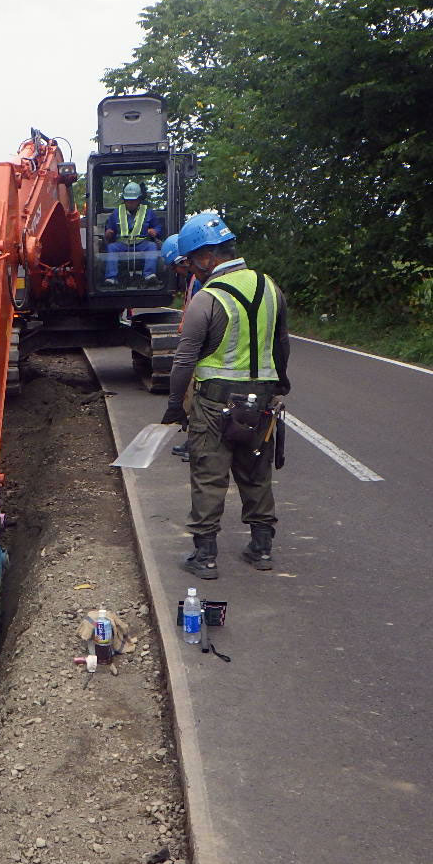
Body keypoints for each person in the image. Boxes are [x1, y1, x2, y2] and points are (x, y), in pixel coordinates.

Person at [159, 213, 291, 578]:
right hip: (259, 403)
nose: (193, 271)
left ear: (206, 257)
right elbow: (281, 346)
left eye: (193, 262)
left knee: (209, 475)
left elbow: (185, 359)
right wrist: (279, 385)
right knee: (256, 472)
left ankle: (205, 558)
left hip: (215, 403)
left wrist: (174, 405)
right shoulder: (270, 288)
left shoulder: (209, 298)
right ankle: (261, 549)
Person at [103, 182, 161, 286]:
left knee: (152, 246)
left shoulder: (148, 212)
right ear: (124, 200)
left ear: (139, 200)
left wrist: (155, 231)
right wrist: (108, 233)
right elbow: (109, 228)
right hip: (122, 244)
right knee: (111, 248)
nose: (130, 203)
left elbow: (157, 227)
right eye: (128, 200)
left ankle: (149, 275)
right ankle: (111, 278)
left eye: (133, 200)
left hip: (142, 243)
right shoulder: (116, 213)